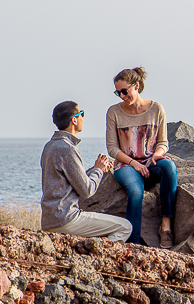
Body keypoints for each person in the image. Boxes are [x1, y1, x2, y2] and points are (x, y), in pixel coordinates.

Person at [106, 67, 177, 248]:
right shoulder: (113, 112)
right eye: (118, 92)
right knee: (136, 191)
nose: (122, 96)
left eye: (124, 91)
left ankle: (166, 227)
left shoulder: (156, 109)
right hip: (126, 165)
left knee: (169, 168)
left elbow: (163, 142)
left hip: (150, 162)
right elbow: (112, 148)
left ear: (136, 86)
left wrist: (157, 156)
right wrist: (134, 164)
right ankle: (133, 242)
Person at [41, 100, 131, 241]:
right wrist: (98, 170)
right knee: (125, 227)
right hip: (66, 219)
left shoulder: (49, 146)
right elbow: (87, 190)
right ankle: (99, 259)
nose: (83, 117)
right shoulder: (68, 149)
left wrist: (99, 169)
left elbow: (71, 182)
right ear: (74, 120)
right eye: (81, 113)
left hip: (48, 220)